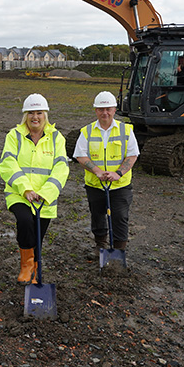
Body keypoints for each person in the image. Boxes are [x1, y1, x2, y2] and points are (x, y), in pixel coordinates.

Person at [0, 93, 69, 285]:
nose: (35, 117)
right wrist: (26, 189)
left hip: (45, 198)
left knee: (38, 235)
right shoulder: (14, 136)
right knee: (25, 221)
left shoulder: (57, 138)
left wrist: (45, 193)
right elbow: (8, 164)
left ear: (45, 115)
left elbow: (61, 168)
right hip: (19, 194)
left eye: (39, 113)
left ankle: (35, 269)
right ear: (25, 116)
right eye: (31, 113)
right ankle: (27, 266)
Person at [73, 91, 139, 257]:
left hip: (120, 185)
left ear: (114, 109)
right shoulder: (87, 131)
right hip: (95, 185)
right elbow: (80, 155)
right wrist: (97, 172)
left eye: (108, 109)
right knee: (98, 217)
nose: (105, 113)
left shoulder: (126, 130)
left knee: (120, 217)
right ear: (96, 110)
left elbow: (132, 155)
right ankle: (100, 246)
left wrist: (119, 173)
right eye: (101, 109)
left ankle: (118, 251)